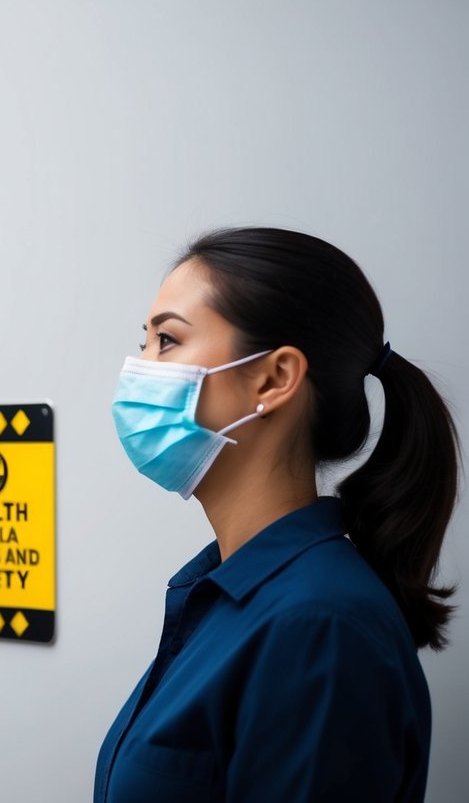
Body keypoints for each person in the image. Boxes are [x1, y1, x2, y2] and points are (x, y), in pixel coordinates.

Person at [96, 228, 458, 802]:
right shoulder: (227, 594)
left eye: (166, 341)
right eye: (144, 343)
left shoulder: (319, 628)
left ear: (274, 379)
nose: (140, 370)